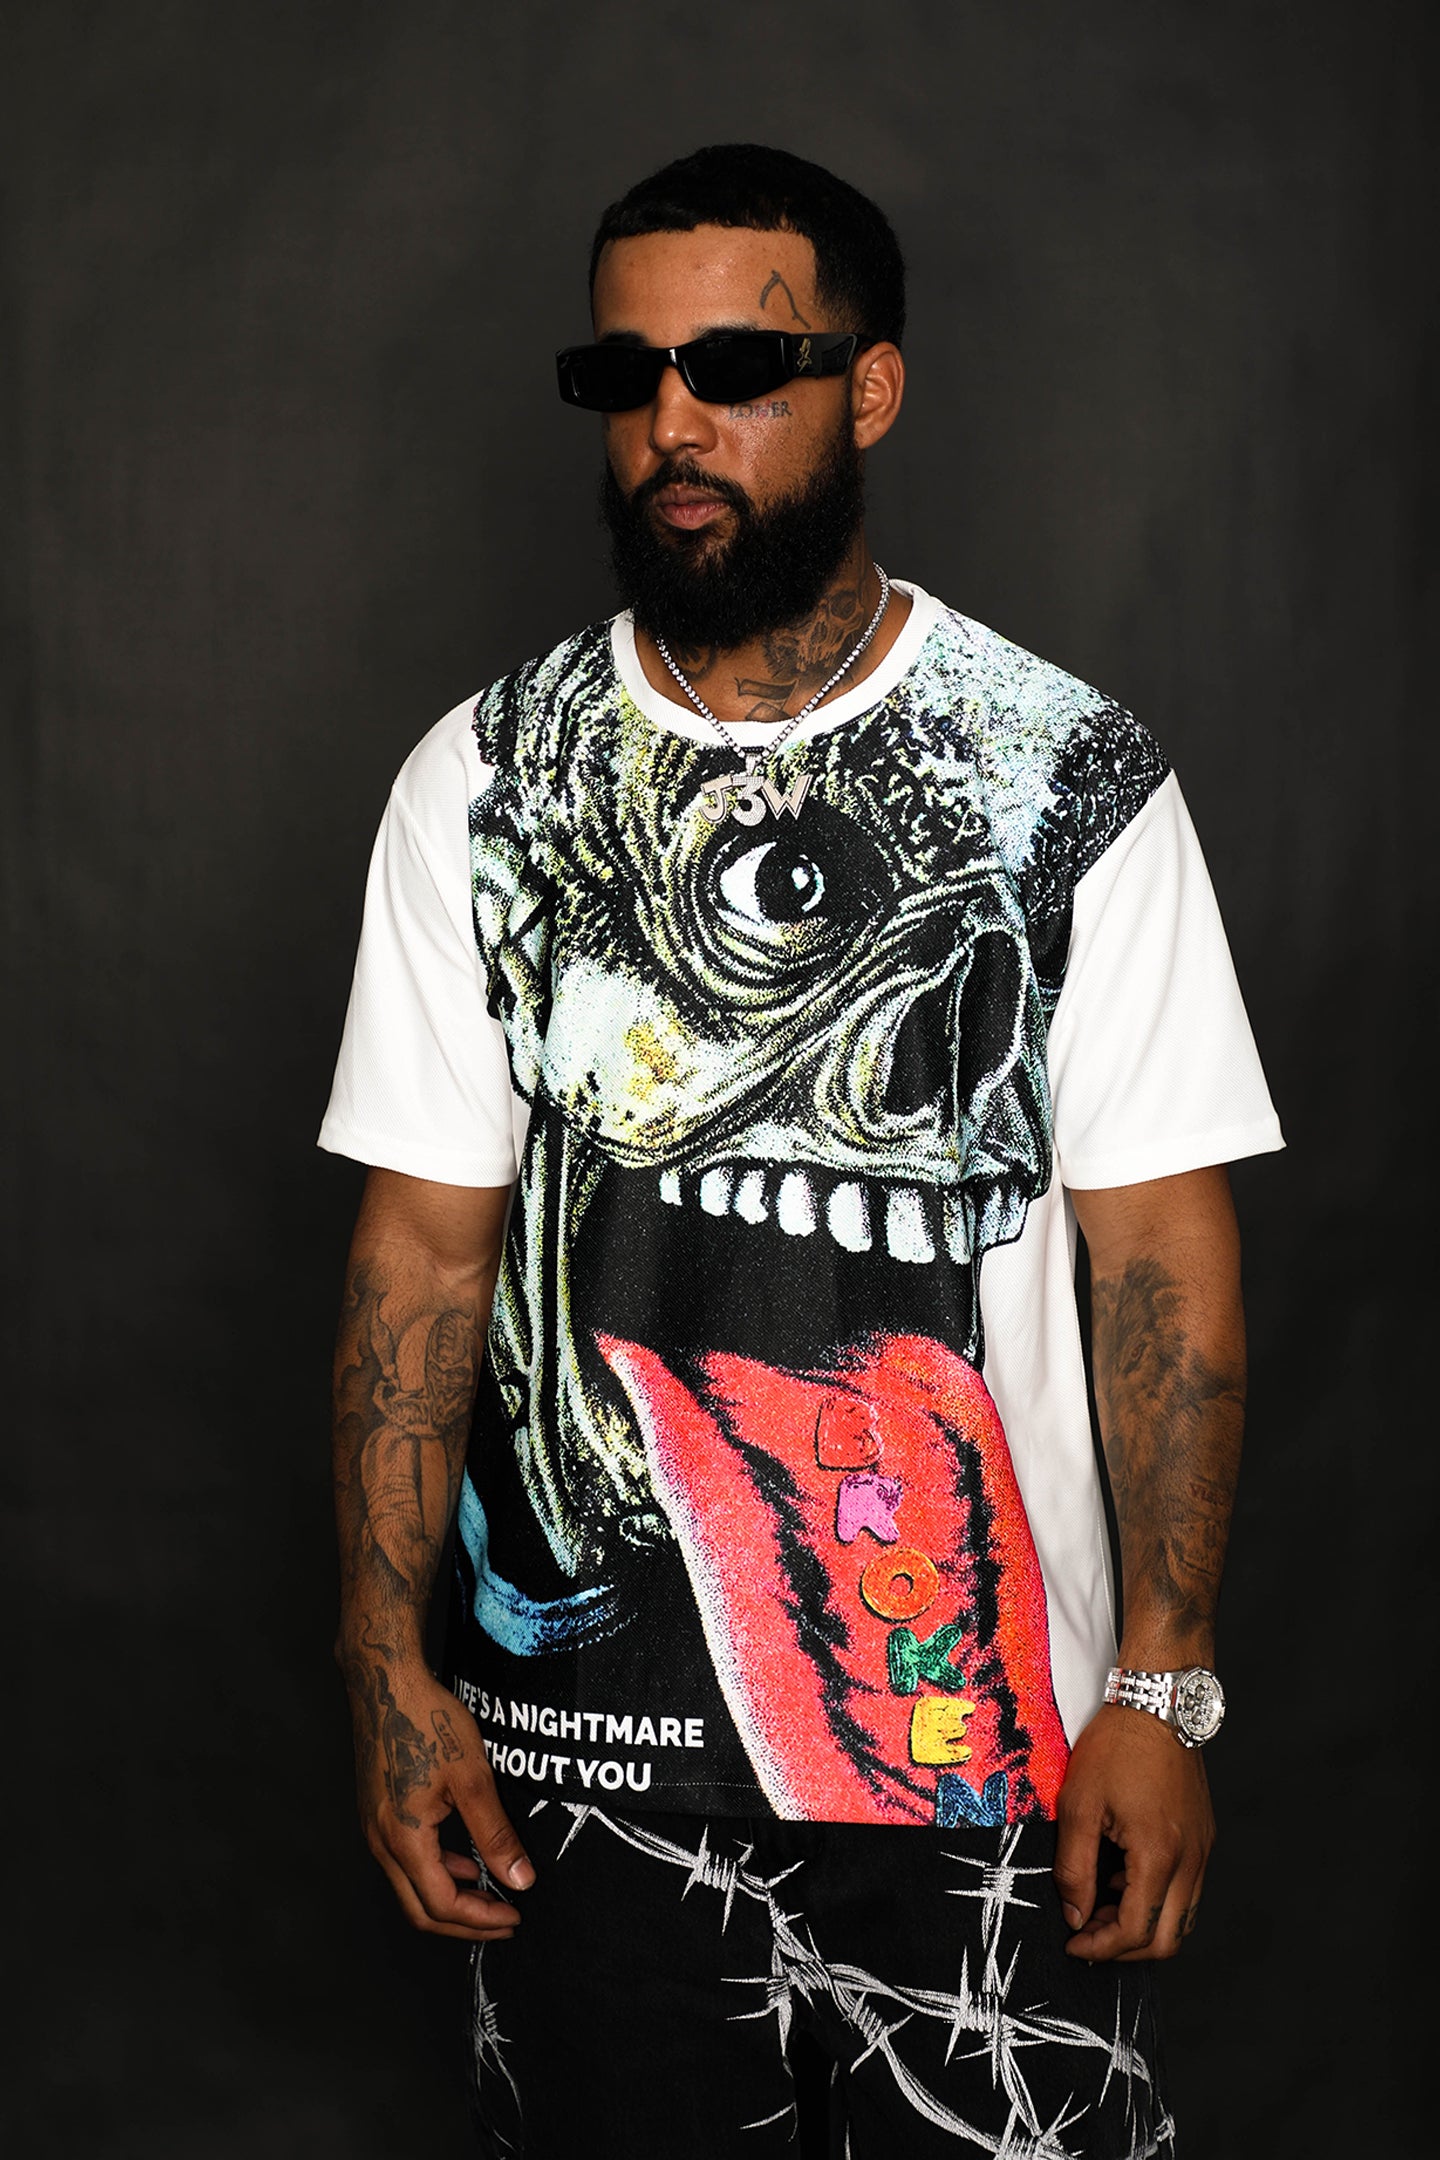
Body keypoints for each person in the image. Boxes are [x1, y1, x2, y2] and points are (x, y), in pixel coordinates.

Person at [320, 143, 1282, 2158]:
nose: (676, 423)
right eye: (630, 374)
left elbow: (1157, 1258)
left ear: (873, 388)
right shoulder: (483, 782)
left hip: (999, 1764)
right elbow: (423, 1252)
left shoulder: (1075, 776)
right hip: (580, 1779)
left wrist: (1163, 1683)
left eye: (743, 368)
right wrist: (387, 1663)